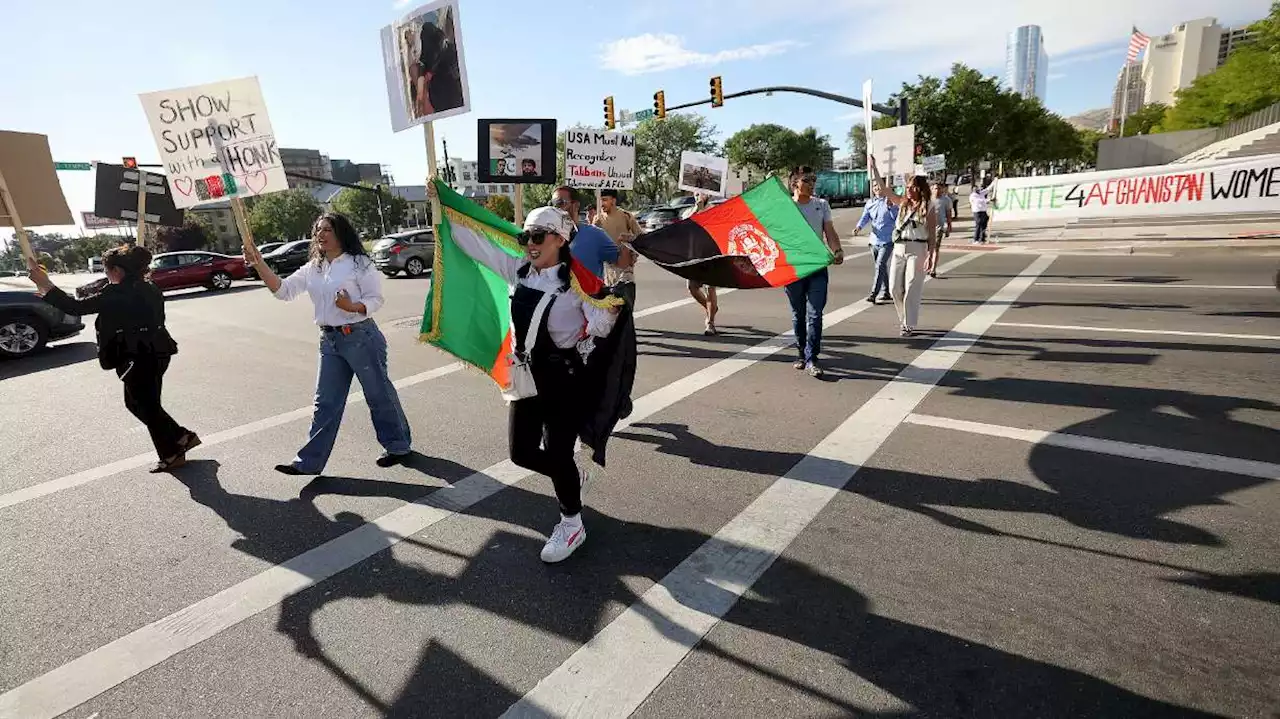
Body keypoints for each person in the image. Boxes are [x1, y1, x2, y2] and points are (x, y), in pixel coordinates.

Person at [442, 203, 624, 563]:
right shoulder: (518, 270)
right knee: (521, 453)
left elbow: (601, 326)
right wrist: (442, 206)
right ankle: (571, 476)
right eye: (525, 236)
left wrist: (612, 308)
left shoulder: (578, 284)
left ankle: (572, 523)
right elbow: (475, 244)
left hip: (564, 378)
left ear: (559, 239)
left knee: (557, 452)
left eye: (537, 236)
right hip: (525, 374)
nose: (529, 244)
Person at [243, 213, 413, 476]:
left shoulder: (359, 263)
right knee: (325, 402)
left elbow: (375, 299)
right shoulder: (314, 267)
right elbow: (283, 290)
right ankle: (308, 463)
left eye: (326, 230)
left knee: (378, 394)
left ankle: (398, 445)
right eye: (317, 230)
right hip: (329, 340)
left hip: (360, 336)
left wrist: (352, 306)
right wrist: (259, 264)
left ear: (340, 233)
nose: (320, 235)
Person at [26, 245, 198, 473]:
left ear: (117, 270)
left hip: (138, 356)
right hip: (158, 351)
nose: (106, 275)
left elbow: (76, 307)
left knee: (147, 407)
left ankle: (173, 451)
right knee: (142, 404)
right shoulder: (148, 287)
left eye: (107, 270)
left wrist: (45, 284)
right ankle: (179, 438)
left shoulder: (118, 293)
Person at [786, 166, 845, 378]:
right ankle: (801, 353)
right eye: (807, 180)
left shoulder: (821, 205)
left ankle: (812, 358)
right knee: (798, 314)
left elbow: (829, 231)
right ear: (795, 184)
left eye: (813, 180)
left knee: (815, 314)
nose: (812, 184)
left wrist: (837, 249)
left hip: (817, 266)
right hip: (794, 267)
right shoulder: (786, 207)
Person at [870, 159, 937, 337]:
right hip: (899, 248)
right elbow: (884, 190)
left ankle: (908, 324)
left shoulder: (928, 207)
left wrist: (931, 256)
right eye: (907, 187)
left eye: (913, 187)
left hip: (918, 248)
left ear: (921, 189)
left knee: (911, 287)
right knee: (893, 288)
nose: (909, 190)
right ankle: (903, 318)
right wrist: (875, 168)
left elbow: (932, 234)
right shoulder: (902, 203)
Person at [553, 186, 622, 282]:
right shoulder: (543, 236)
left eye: (560, 203)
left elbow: (621, 261)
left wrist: (628, 246)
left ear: (576, 205)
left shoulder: (595, 235)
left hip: (587, 296)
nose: (555, 209)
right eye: (553, 204)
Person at [592, 189, 641, 303]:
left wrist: (633, 251)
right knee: (610, 303)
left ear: (613, 200)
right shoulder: (597, 219)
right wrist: (594, 227)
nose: (601, 204)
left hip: (624, 266)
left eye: (604, 200)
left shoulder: (626, 216)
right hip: (607, 268)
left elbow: (640, 236)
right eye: (599, 201)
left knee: (625, 300)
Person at [853, 182, 898, 304]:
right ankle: (886, 291)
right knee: (881, 267)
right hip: (874, 241)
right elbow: (865, 217)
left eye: (879, 186)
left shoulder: (891, 201)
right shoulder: (870, 203)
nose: (877, 188)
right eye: (874, 186)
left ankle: (874, 293)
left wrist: (891, 208)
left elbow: (897, 218)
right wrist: (859, 227)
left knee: (880, 265)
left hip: (887, 240)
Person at [684, 194, 720, 335]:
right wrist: (696, 210)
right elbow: (683, 226)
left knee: (710, 288)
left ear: (709, 194)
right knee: (692, 287)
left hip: (711, 255)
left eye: (702, 193)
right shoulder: (689, 211)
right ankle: (711, 307)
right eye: (697, 193)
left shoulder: (715, 210)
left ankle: (710, 323)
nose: (699, 196)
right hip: (694, 256)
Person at [926, 181, 954, 278]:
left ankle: (933, 268)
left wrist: (949, 225)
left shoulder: (946, 200)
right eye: (934, 188)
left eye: (938, 188)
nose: (937, 190)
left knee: (935, 249)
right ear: (931, 189)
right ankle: (927, 265)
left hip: (938, 227)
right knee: (927, 249)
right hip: (926, 227)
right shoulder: (927, 199)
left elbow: (948, 213)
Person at [970, 177, 994, 244]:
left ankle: (982, 239)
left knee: (984, 225)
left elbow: (988, 189)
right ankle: (976, 239)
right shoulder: (973, 196)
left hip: (983, 211)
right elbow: (980, 201)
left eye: (977, 188)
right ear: (972, 190)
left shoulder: (980, 193)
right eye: (975, 189)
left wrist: (994, 182)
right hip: (977, 212)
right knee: (978, 225)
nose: (977, 189)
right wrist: (989, 200)